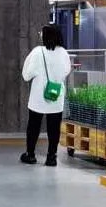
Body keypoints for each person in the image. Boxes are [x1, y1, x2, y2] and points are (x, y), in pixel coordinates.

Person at [20, 24, 72, 167]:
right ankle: (51, 157)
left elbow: (26, 75)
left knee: (33, 126)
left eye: (42, 33)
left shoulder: (38, 52)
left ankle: (30, 154)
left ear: (47, 35)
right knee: (54, 128)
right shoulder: (64, 53)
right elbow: (66, 71)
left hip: (38, 97)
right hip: (56, 96)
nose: (40, 35)